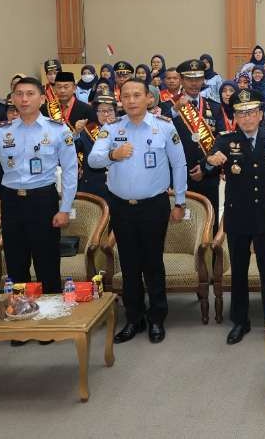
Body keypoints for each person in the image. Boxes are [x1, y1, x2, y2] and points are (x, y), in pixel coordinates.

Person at [0, 77, 78, 314]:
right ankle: (21, 315)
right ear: (12, 98)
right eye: (19, 94)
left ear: (42, 98)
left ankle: (51, 317)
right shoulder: (2, 132)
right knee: (16, 263)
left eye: (30, 94)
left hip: (43, 200)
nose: (24, 99)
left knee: (47, 263)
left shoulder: (57, 130)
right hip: (12, 200)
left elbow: (70, 171)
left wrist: (65, 208)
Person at [89, 79, 187, 344]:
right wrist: (113, 154)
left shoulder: (164, 128)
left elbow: (179, 165)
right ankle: (134, 319)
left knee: (153, 263)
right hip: (121, 207)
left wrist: (179, 202)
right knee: (129, 265)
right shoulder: (111, 129)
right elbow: (93, 159)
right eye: (126, 96)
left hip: (154, 205)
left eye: (137, 95)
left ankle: (157, 318)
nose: (131, 100)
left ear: (149, 99)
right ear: (120, 100)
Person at [205, 89, 265, 345]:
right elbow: (210, 163)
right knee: (239, 270)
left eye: (251, 112)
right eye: (241, 114)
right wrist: (211, 161)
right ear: (234, 116)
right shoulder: (225, 139)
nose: (246, 118)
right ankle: (240, 321)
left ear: (260, 114)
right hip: (238, 216)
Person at [161, 59, 224, 222]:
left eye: (198, 79)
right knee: (181, 225)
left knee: (209, 221)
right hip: (179, 174)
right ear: (181, 80)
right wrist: (175, 111)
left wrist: (205, 166)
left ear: (203, 80)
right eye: (190, 79)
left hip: (208, 173)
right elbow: (159, 134)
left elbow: (221, 140)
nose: (194, 84)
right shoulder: (168, 106)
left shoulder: (214, 107)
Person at [76, 85, 115, 197]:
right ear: (95, 112)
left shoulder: (123, 129)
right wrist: (76, 133)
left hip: (118, 186)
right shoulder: (87, 130)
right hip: (92, 186)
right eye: (102, 111)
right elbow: (72, 150)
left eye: (110, 110)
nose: (106, 114)